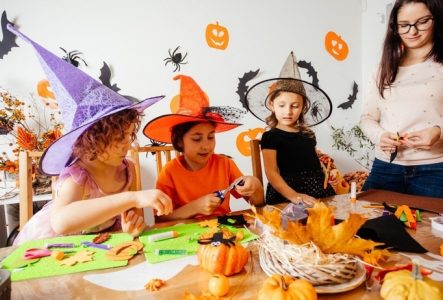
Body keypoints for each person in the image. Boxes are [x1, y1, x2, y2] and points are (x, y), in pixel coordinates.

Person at [9, 26, 172, 245]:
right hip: (52, 246)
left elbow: (126, 220)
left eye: (128, 135)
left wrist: (130, 224)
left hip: (97, 247)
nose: (127, 144)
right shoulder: (78, 175)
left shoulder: (127, 170)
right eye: (117, 138)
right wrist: (132, 197)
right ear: (91, 141)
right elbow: (61, 222)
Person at [143, 75, 264, 220]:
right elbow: (160, 219)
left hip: (224, 231)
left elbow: (256, 204)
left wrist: (255, 186)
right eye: (196, 139)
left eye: (211, 137)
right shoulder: (169, 172)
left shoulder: (225, 164)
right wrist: (196, 207)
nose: (206, 146)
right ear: (180, 141)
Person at [359, 0, 443, 197]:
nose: (412, 31)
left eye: (422, 22)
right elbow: (367, 118)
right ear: (395, 28)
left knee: (428, 228)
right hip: (385, 167)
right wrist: (379, 136)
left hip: (434, 169)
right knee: (369, 225)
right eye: (404, 25)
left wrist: (438, 132)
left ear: (436, 19)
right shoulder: (383, 68)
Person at [245, 52, 334, 205]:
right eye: (282, 105)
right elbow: (271, 172)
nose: (288, 111)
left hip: (318, 190)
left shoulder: (308, 134)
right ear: (272, 105)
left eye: (295, 106)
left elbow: (311, 164)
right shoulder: (271, 137)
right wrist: (293, 195)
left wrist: (326, 171)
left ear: (303, 107)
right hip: (286, 193)